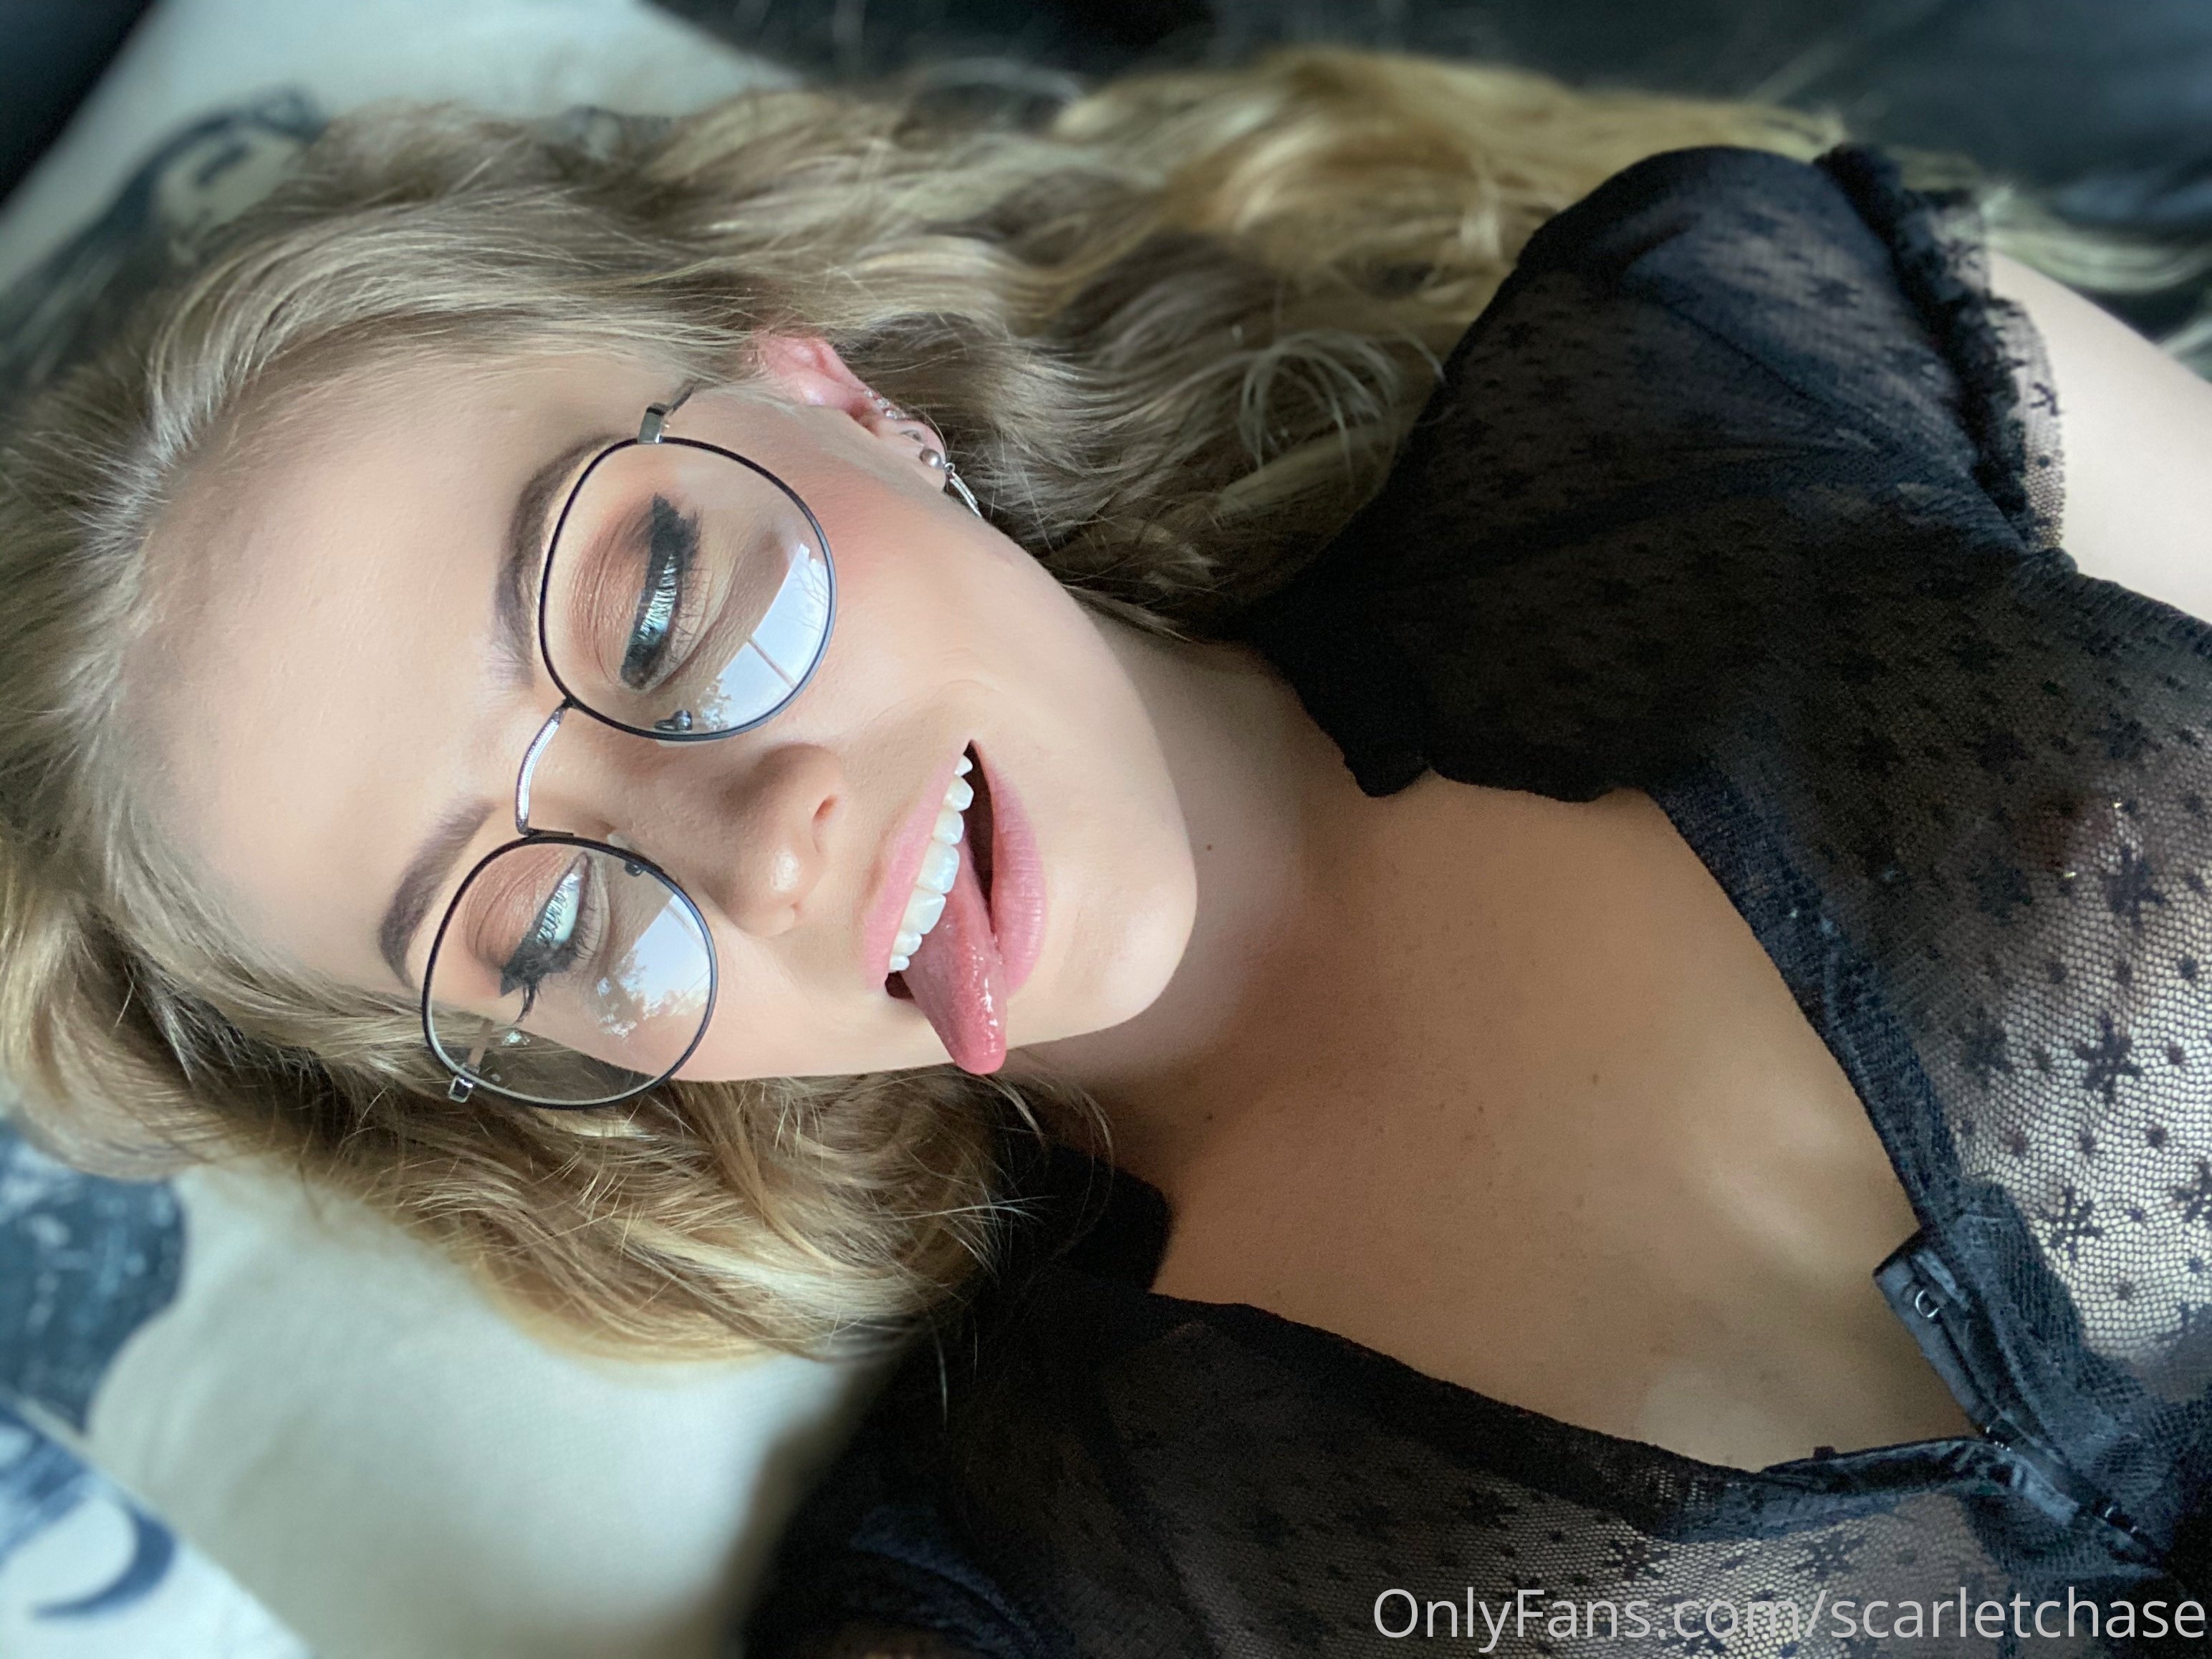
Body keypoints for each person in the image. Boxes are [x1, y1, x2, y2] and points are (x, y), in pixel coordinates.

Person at [0, 44, 2205, 1656]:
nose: (761, 852)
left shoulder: (1744, 342)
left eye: (657, 605)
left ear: (837, 400)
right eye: (554, 916)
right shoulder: (1013, 1591)